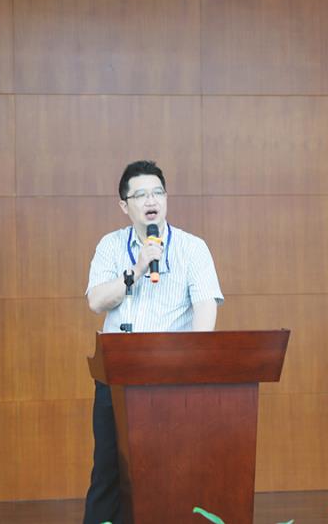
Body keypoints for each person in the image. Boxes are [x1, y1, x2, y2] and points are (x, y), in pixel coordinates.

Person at [82, 160, 224, 524]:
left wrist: (195, 367)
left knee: (168, 468)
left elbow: (205, 308)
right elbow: (97, 301)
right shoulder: (111, 246)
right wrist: (137, 269)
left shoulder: (193, 248)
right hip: (117, 377)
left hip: (172, 379)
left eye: (158, 192)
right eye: (141, 194)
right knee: (109, 470)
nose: (151, 201)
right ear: (124, 205)